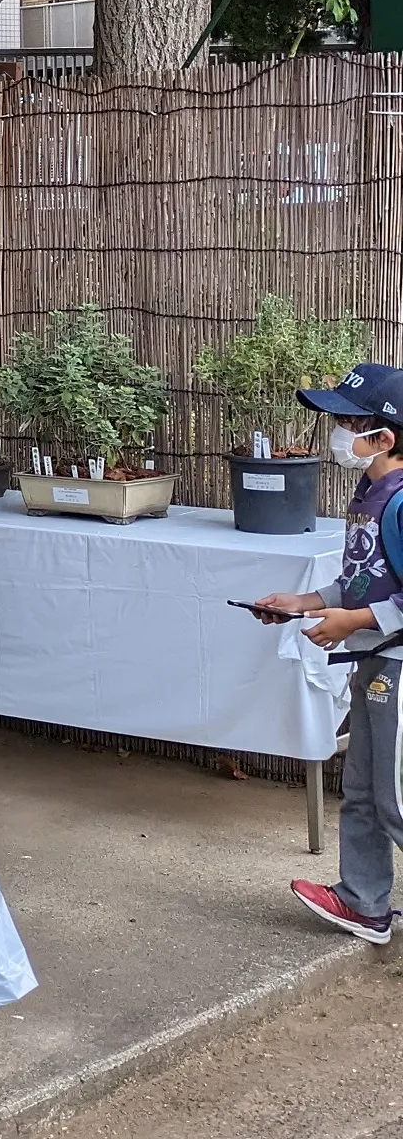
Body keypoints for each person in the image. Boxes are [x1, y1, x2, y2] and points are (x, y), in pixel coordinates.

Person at [254, 362, 403, 945]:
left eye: (347, 421)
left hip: (396, 666)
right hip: (376, 662)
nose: (337, 432)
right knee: (364, 789)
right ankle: (364, 903)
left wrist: (352, 621)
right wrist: (307, 602)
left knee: (394, 797)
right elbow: (366, 581)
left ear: (384, 438)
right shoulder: (372, 493)